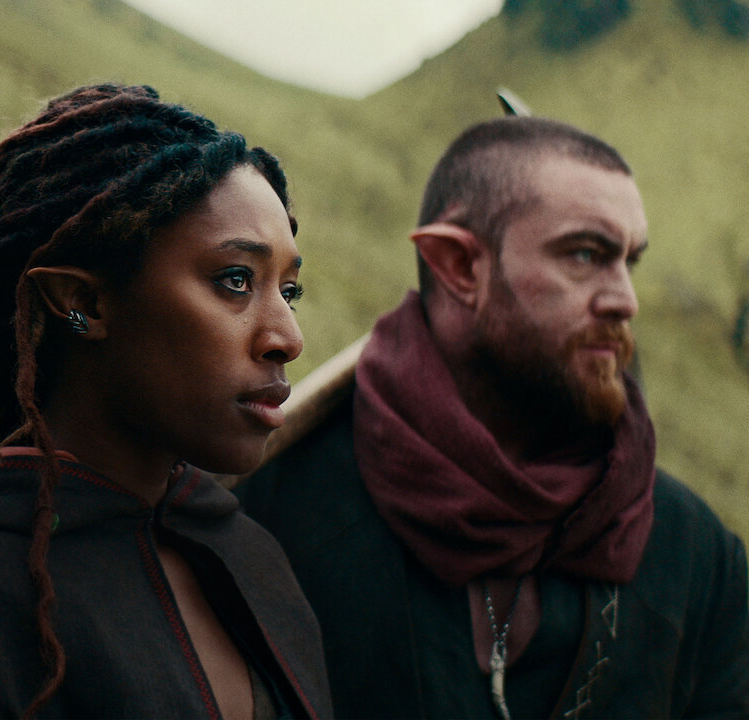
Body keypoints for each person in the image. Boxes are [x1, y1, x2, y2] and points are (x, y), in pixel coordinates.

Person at [0, 83, 333, 720]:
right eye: (235, 280)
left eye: (289, 291)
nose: (288, 338)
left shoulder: (247, 557)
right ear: (83, 305)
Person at [238, 116, 749, 718]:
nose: (626, 300)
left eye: (628, 262)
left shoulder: (699, 559)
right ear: (460, 266)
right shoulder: (274, 506)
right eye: (586, 254)